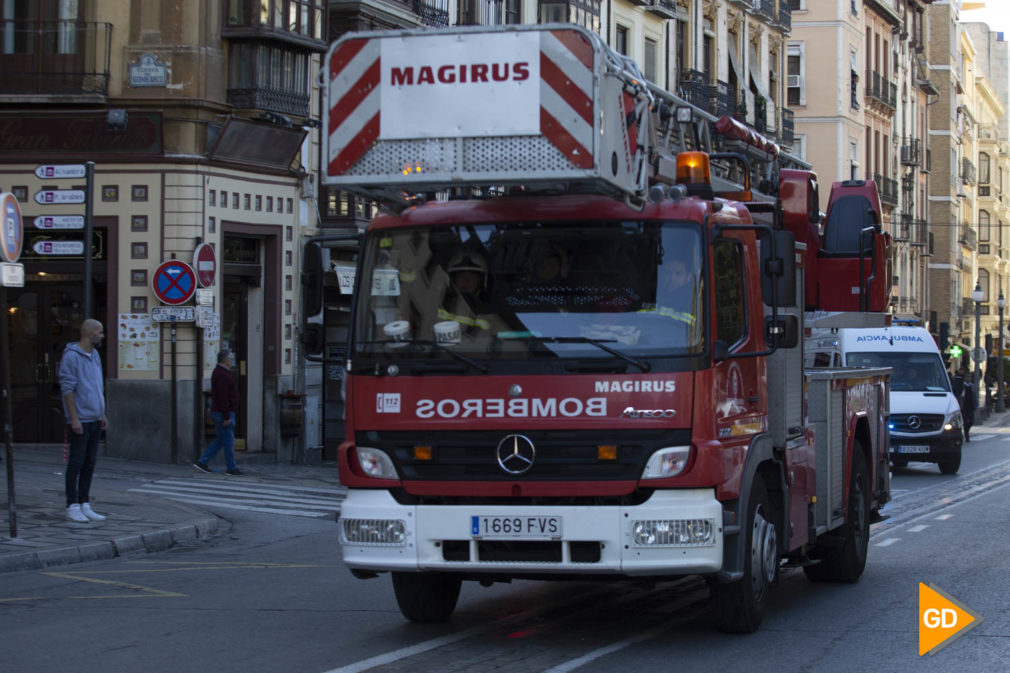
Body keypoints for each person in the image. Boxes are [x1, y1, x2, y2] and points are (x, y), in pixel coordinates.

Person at [59, 318, 109, 523]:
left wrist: (102, 414)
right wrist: (74, 418)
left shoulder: (95, 355)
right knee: (76, 463)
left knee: (89, 463)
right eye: (100, 332)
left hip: (95, 417)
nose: (102, 336)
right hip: (80, 418)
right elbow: (67, 388)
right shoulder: (71, 357)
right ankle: (72, 505)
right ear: (90, 334)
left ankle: (84, 502)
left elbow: (96, 386)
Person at [194, 350, 242, 475]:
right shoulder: (222, 375)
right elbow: (223, 397)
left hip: (219, 411)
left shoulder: (220, 372)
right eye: (230, 358)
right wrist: (226, 417)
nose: (232, 360)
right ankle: (231, 467)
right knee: (228, 441)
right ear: (225, 360)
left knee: (221, 439)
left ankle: (203, 461)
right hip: (223, 412)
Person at [960, 369, 977, 441]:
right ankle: (967, 436)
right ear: (965, 378)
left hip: (971, 406)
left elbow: (975, 396)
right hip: (964, 406)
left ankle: (966, 431)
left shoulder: (972, 386)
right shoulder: (962, 386)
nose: (969, 378)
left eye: (970, 377)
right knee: (965, 421)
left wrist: (976, 404)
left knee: (971, 421)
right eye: (967, 377)